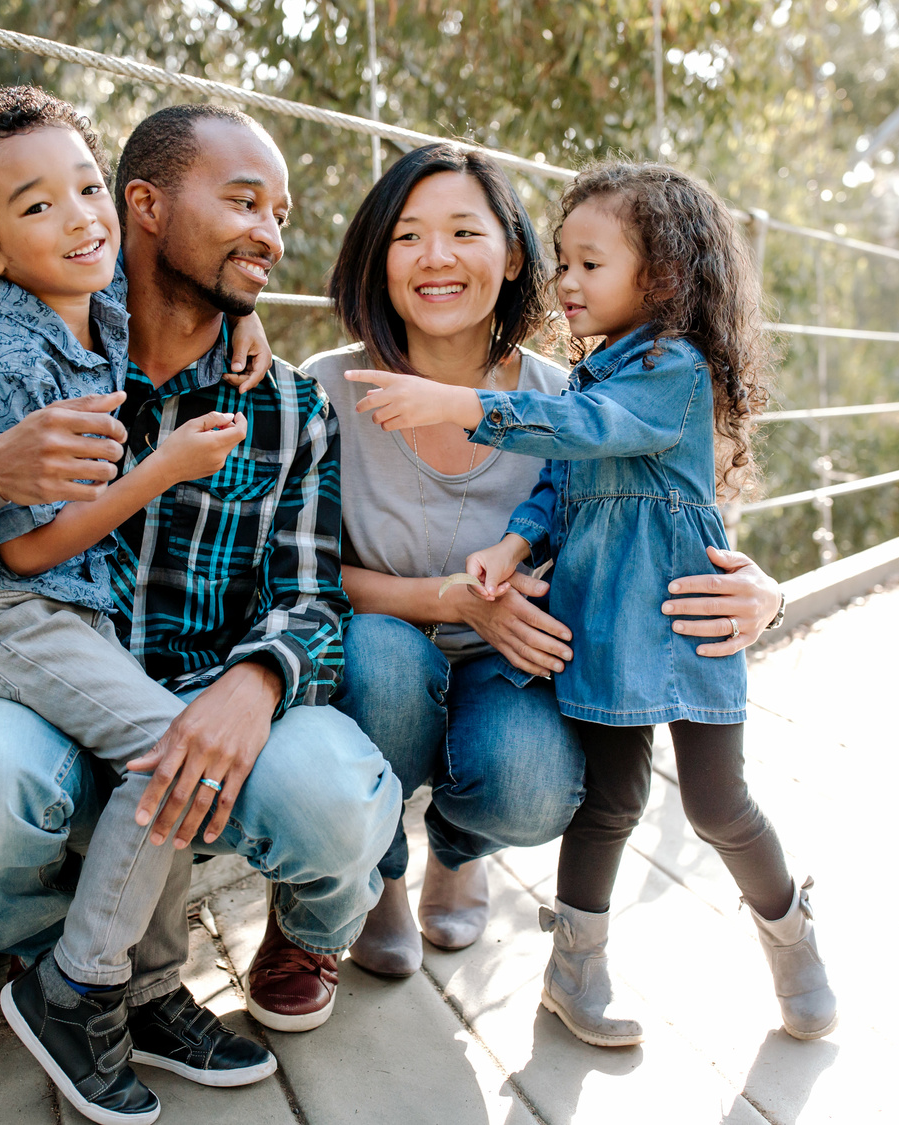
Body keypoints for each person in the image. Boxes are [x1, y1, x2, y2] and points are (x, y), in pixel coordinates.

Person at [0, 103, 400, 1101]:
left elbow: (312, 598)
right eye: (241, 203)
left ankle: (165, 983)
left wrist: (255, 680)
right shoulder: (7, 358)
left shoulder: (279, 401)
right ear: (142, 206)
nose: (270, 234)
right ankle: (66, 974)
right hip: (40, 687)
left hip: (203, 698)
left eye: (277, 212)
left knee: (329, 794)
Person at [347, 161, 836, 1047]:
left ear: (664, 277)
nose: (566, 282)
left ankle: (791, 933)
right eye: (562, 263)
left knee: (717, 803)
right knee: (609, 801)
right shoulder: (584, 377)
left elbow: (590, 431)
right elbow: (558, 485)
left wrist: (461, 405)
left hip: (684, 616)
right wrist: (512, 543)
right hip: (601, 626)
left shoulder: (670, 372)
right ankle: (575, 970)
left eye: (590, 264)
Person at [0, 88, 277, 1125]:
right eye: (35, 208)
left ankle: (149, 995)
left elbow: (185, 292)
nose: (78, 218)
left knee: (162, 758)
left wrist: (244, 310)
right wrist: (160, 469)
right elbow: (22, 543)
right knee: (173, 750)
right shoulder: (9, 356)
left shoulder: (98, 307)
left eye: (84, 187)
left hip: (58, 612)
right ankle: (78, 989)